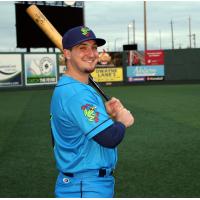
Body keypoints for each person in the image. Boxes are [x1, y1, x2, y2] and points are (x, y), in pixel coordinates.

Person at [50, 26, 134, 198]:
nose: (91, 53)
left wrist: (103, 110)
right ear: (67, 54)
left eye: (94, 47)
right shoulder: (77, 93)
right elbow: (109, 138)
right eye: (82, 48)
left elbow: (74, 124)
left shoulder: (71, 88)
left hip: (83, 184)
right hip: (85, 187)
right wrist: (122, 121)